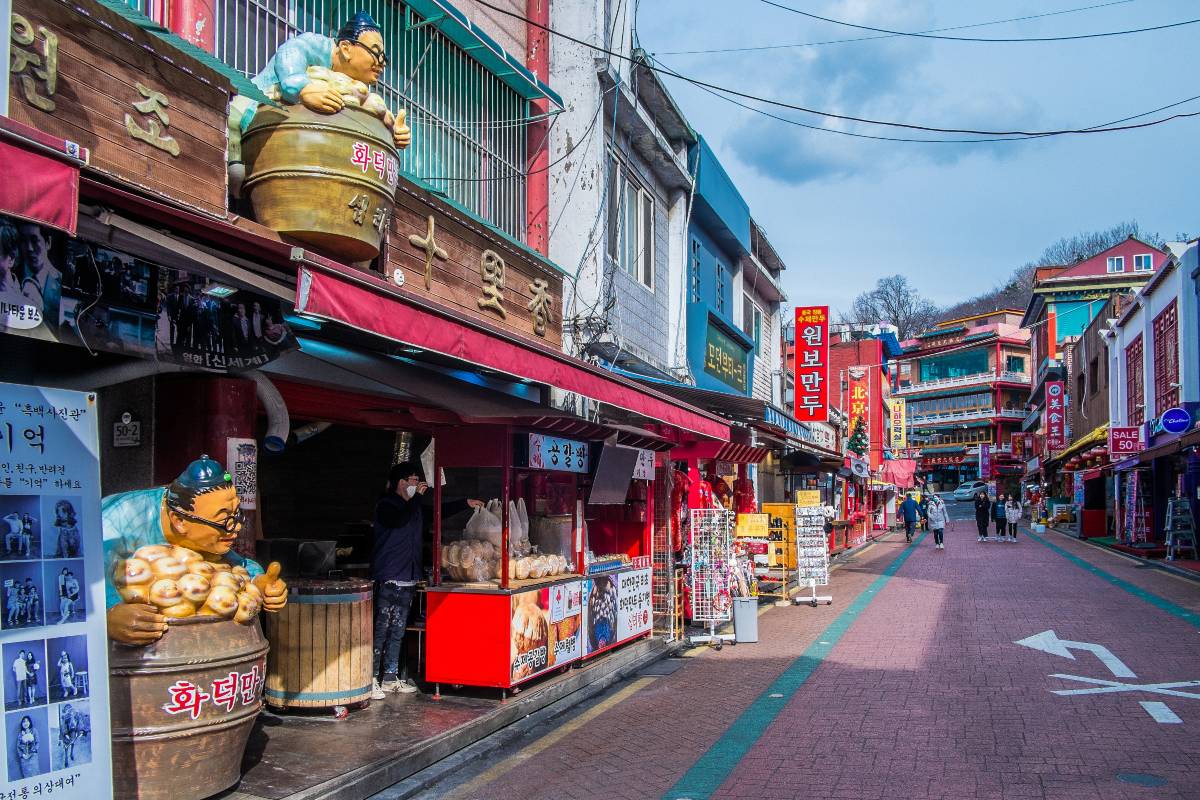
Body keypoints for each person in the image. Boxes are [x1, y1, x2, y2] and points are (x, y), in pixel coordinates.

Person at [101, 455, 287, 645]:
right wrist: (107, 614)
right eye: (224, 519)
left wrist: (259, 582)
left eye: (235, 514)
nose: (236, 527)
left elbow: (234, 562)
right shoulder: (118, 521)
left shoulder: (202, 531)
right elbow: (88, 571)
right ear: (179, 521)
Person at [371, 461, 481, 698]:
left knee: (398, 629)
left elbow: (437, 511)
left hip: (408, 576)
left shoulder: (415, 507)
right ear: (401, 483)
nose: (418, 485)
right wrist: (418, 499)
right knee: (381, 628)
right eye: (413, 480)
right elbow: (400, 519)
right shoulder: (387, 505)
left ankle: (390, 677)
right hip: (389, 576)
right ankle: (371, 678)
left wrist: (465, 504)